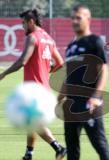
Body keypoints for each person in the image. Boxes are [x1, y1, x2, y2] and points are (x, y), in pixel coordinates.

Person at [0, 9, 66, 160]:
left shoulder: (32, 37)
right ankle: (29, 153)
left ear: (31, 22)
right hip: (44, 88)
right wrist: (45, 69)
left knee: (32, 120)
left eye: (23, 23)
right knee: (31, 120)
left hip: (33, 89)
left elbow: (22, 61)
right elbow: (60, 63)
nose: (22, 26)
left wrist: (3, 74)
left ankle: (58, 148)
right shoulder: (49, 38)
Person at [57, 5, 109, 160]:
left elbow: (104, 70)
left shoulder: (95, 42)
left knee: (99, 144)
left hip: (89, 104)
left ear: (88, 19)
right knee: (72, 149)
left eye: (78, 17)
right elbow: (69, 77)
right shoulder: (70, 47)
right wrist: (58, 98)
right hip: (71, 105)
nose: (74, 21)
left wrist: (96, 96)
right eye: (72, 18)